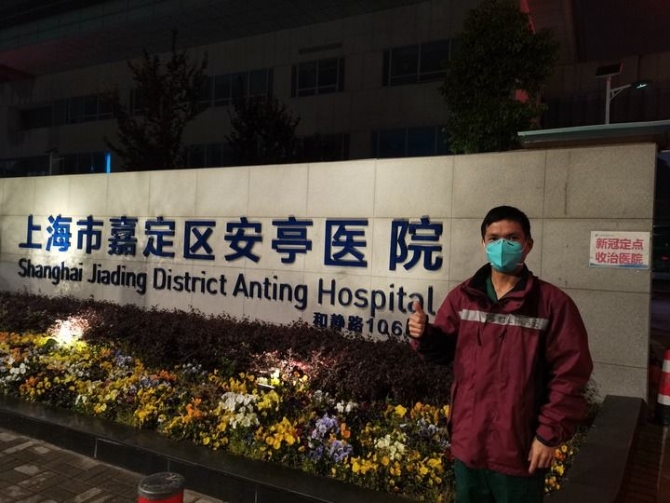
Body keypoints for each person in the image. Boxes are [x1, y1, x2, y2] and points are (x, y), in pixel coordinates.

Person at [408, 205, 593, 503]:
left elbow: (570, 376)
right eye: (494, 238)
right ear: (483, 243)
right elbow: (444, 352)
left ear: (528, 245)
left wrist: (547, 435)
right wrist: (424, 334)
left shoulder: (552, 304)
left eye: (512, 238)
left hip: (518, 451)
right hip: (469, 444)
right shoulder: (463, 297)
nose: (502, 246)